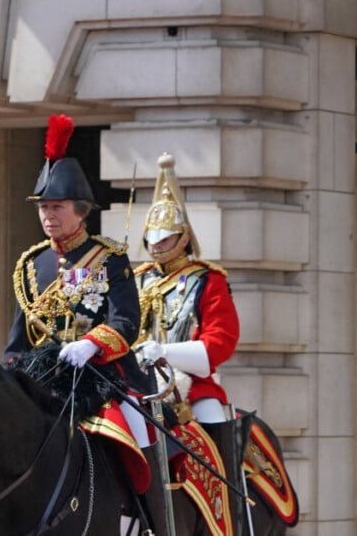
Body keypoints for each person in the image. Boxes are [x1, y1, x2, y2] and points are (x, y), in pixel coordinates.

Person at [3, 114, 166, 535]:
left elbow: (127, 321)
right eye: (43, 207)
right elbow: (19, 339)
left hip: (102, 375)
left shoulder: (109, 258)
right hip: (45, 378)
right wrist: (12, 375)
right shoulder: (31, 264)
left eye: (56, 207)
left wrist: (93, 344)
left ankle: (151, 521)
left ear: (81, 211)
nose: (47, 216)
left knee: (138, 435)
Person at [135, 152, 249, 534]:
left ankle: (230, 512)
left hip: (190, 386)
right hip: (138, 384)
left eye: (164, 238)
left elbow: (220, 342)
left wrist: (166, 353)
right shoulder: (137, 280)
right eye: (152, 238)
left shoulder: (207, 280)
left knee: (214, 419)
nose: (156, 245)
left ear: (183, 239)